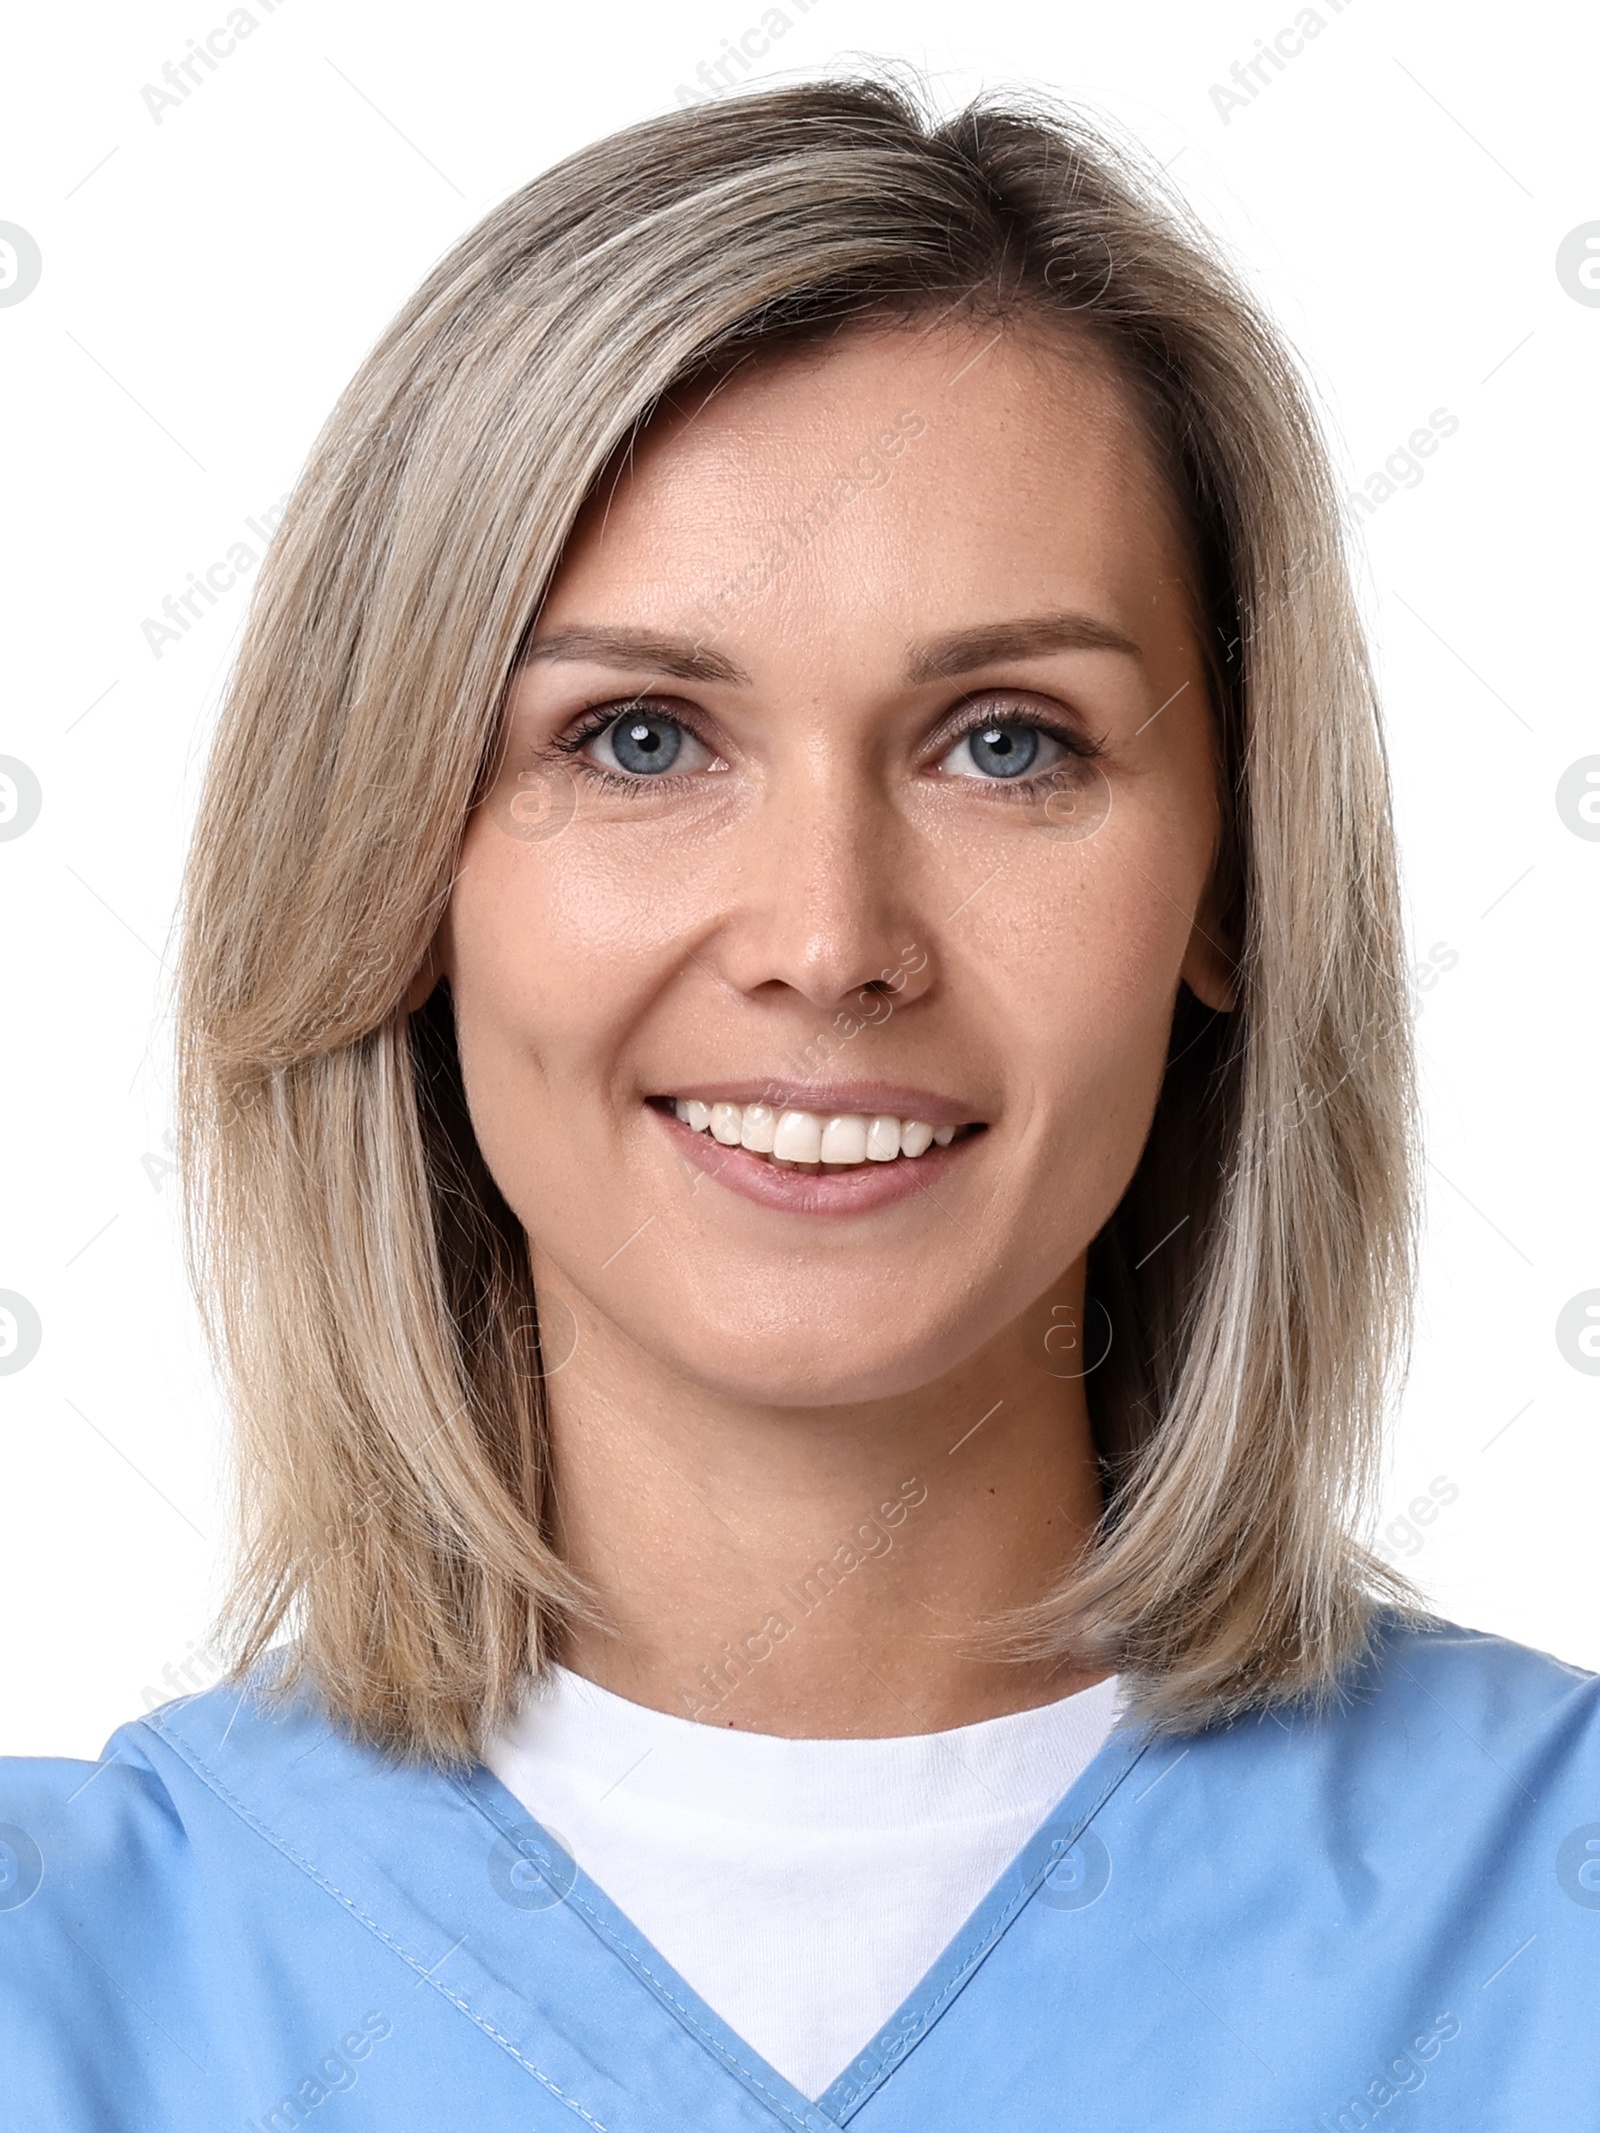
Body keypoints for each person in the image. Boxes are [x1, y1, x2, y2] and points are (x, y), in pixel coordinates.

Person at [3, 72, 1595, 2133]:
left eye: (1007, 742)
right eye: (642, 735)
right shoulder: (65, 1983)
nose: (827, 937)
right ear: (403, 867)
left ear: (1231, 877)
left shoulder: (1547, 1924)